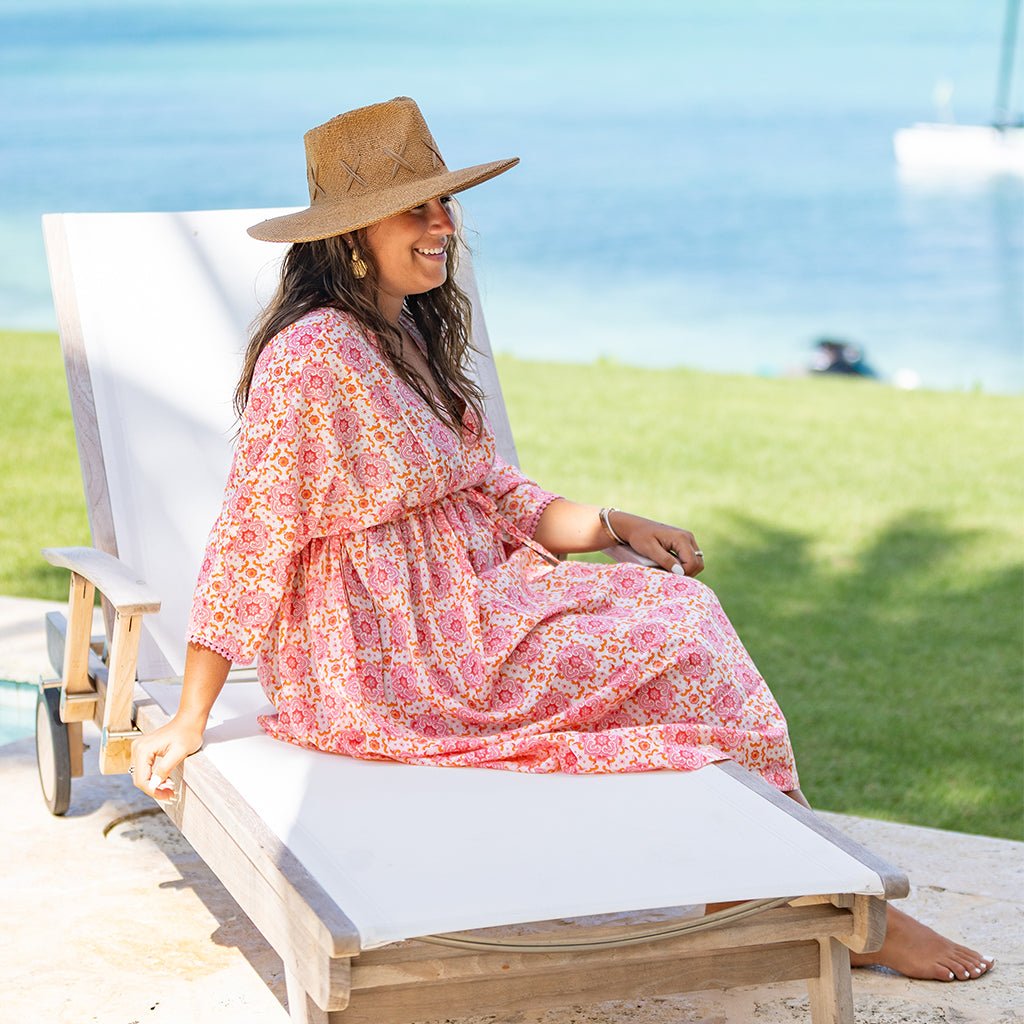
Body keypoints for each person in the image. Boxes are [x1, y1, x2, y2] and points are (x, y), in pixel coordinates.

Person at [130, 97, 992, 983]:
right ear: (352, 236)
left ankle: (764, 870)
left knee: (681, 613)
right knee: (681, 636)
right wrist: (192, 715)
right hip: (389, 656)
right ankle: (811, 891)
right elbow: (251, 534)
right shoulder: (313, 357)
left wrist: (615, 525)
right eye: (418, 209)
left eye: (445, 204)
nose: (444, 224)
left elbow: (499, 491)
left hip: (465, 604)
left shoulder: (405, 332)